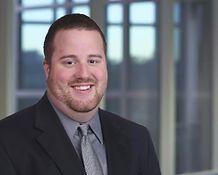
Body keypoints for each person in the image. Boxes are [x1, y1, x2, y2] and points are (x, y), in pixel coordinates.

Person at [0, 14, 161, 175]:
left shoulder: (138, 139)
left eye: (93, 61)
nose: (83, 74)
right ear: (47, 69)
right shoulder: (6, 140)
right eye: (70, 62)